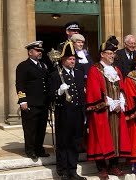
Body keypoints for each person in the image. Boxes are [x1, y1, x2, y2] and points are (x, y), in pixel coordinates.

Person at [86, 36, 131, 180]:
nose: (112, 56)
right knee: (101, 138)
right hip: (103, 111)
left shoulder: (116, 70)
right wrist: (110, 103)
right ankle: (101, 168)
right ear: (102, 54)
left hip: (117, 109)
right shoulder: (95, 69)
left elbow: (122, 86)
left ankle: (114, 165)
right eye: (109, 53)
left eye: (113, 54)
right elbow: (94, 90)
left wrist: (121, 101)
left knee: (116, 137)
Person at [49, 41, 86, 180]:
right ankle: (63, 171)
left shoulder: (78, 72)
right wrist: (59, 91)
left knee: (75, 142)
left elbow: (81, 94)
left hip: (77, 113)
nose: (73, 61)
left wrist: (84, 112)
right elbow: (50, 96)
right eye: (70, 59)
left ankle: (72, 169)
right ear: (63, 60)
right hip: (64, 113)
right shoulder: (55, 75)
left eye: (74, 59)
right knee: (63, 142)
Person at [15, 41, 50, 159]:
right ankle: (30, 150)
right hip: (31, 102)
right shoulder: (23, 66)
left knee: (41, 127)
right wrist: (22, 100)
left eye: (41, 51)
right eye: (37, 51)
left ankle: (39, 148)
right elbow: (19, 84)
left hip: (43, 102)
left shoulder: (43, 65)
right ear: (30, 52)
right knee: (30, 128)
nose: (40, 53)